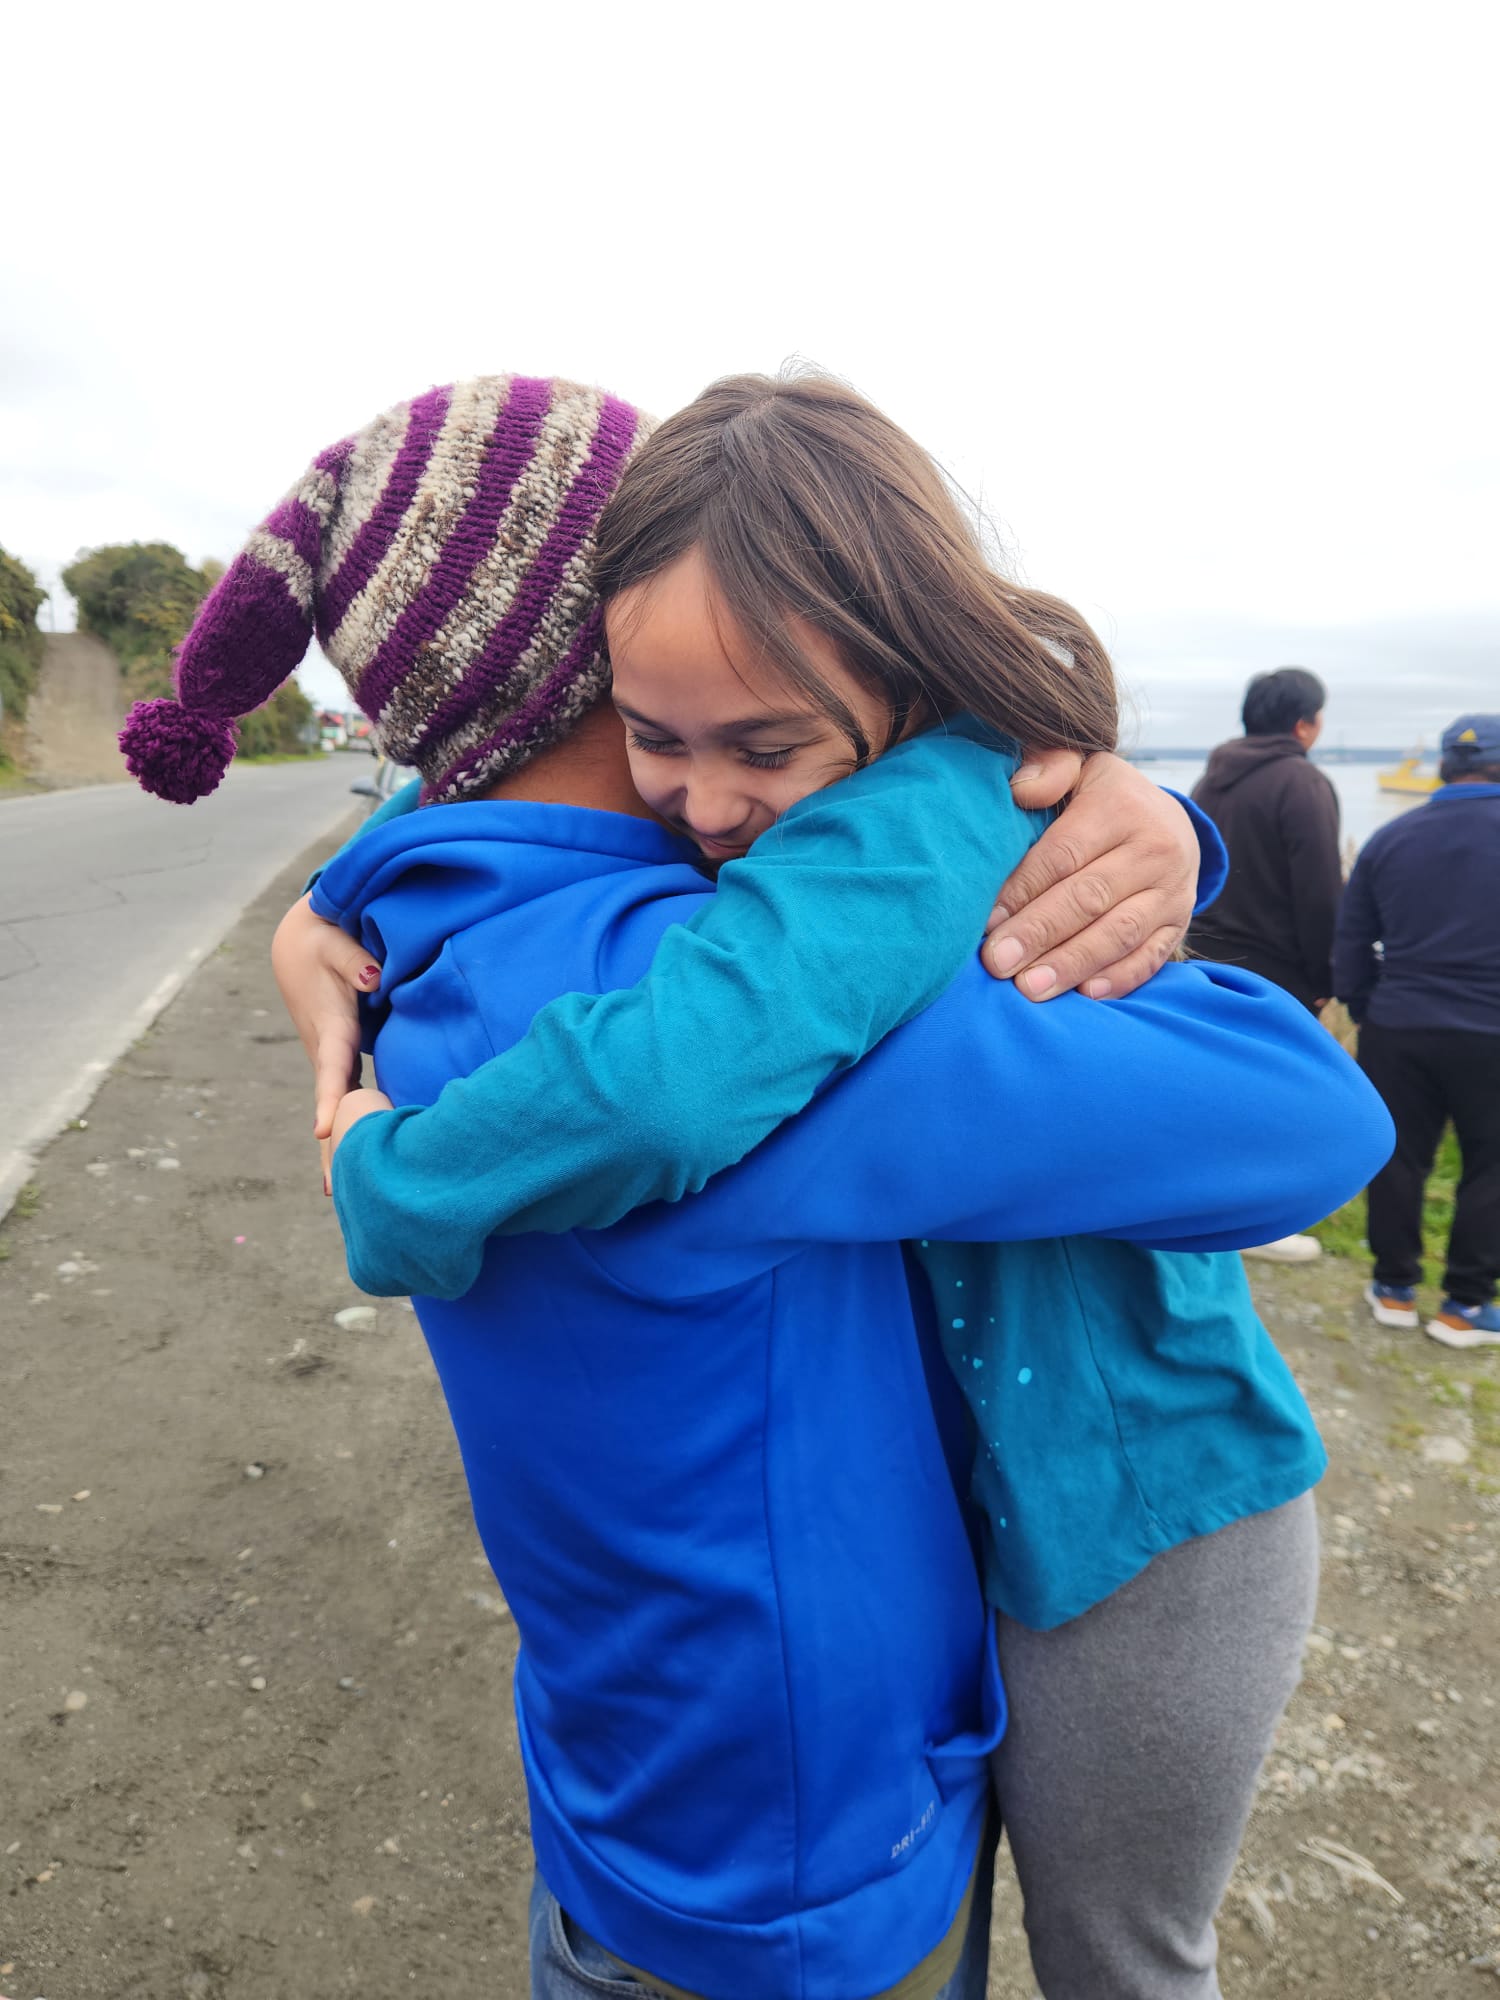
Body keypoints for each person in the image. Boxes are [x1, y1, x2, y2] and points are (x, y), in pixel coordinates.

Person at [124, 373, 1391, 2000]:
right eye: (662, 727)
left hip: (1005, 1587)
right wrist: (1013, 757)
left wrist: (1127, 810)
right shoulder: (698, 1000)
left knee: (1129, 1957)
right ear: (596, 661)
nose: (712, 805)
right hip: (823, 1847)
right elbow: (1305, 1107)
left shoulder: (420, 943)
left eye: (765, 733)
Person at [1334, 714, 1500, 1348]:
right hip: (1490, 1030)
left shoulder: (1391, 837)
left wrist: (1366, 1003)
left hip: (1399, 1023)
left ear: (1445, 768)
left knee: (1399, 1160)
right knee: (1490, 1168)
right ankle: (1466, 1305)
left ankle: (1393, 1289)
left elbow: (1350, 941)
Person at [1187, 665, 1345, 1264]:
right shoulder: (1299, 783)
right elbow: (1320, 892)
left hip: (1202, 956)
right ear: (1305, 724)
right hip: (1274, 966)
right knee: (1273, 1094)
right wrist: (1325, 978)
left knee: (1216, 1088)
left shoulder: (1214, 780)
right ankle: (1262, 1223)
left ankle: (1212, 1210)